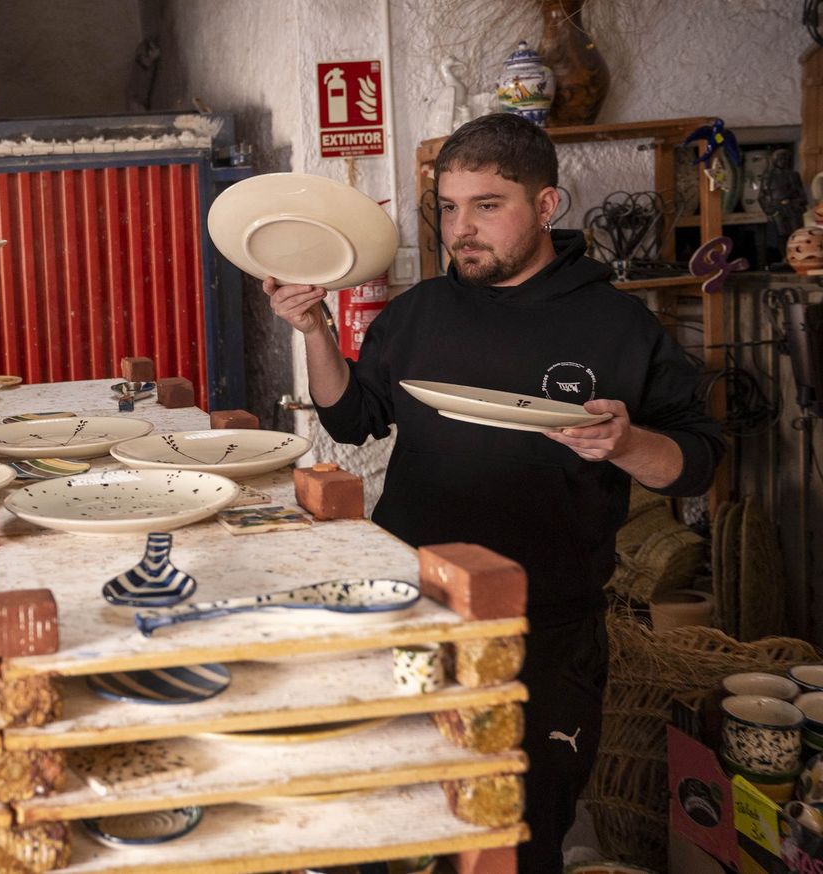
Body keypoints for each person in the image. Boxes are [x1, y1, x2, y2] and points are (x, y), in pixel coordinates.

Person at [266, 114, 724, 873]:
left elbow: (700, 460)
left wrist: (628, 442)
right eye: (448, 208)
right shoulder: (418, 313)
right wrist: (313, 330)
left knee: (518, 831)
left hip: (543, 629)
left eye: (487, 206)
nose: (460, 229)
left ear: (547, 207)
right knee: (404, 818)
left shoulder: (617, 326)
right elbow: (352, 421)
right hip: (414, 609)